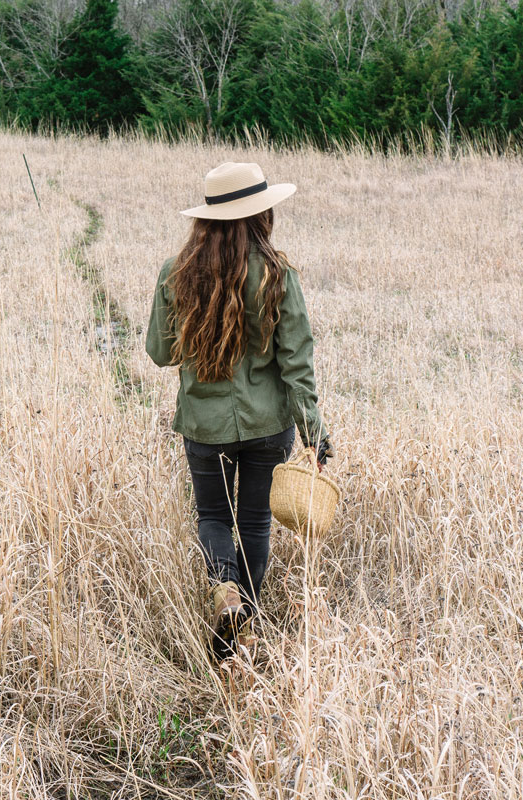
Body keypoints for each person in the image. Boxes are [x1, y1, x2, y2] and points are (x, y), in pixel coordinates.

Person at [145, 161, 333, 659]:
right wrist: (314, 434)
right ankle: (245, 621)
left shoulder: (176, 273)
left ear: (205, 219)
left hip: (204, 426)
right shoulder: (278, 275)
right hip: (268, 425)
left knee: (211, 515)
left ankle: (224, 594)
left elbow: (161, 353)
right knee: (253, 524)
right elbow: (298, 364)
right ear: (259, 215)